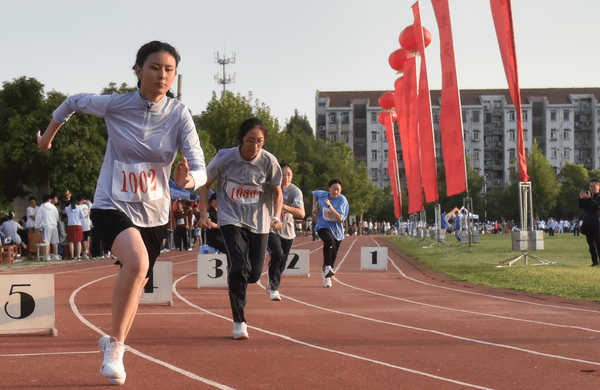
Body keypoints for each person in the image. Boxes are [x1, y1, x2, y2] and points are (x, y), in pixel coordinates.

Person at [37, 41, 207, 385]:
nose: (162, 75)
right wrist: (47, 139)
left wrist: (189, 179)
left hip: (155, 212)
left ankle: (111, 342)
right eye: (155, 67)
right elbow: (72, 102)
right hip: (111, 203)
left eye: (169, 70)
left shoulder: (179, 115)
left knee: (138, 279)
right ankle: (117, 349)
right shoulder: (115, 105)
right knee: (138, 263)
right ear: (138, 70)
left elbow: (200, 164)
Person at [199, 117, 282, 340]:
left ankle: (239, 277)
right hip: (230, 218)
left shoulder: (268, 161)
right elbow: (204, 185)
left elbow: (277, 192)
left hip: (260, 222)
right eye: (250, 140)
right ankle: (239, 321)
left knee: (253, 275)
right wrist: (204, 215)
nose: (255, 146)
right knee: (237, 266)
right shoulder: (225, 158)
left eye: (260, 141)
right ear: (241, 139)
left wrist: (276, 215)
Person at [266, 162, 304, 301]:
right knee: (277, 253)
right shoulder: (269, 188)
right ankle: (274, 288)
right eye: (283, 175)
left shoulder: (295, 191)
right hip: (270, 229)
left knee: (282, 261)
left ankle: (272, 280)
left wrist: (283, 206)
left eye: (289, 175)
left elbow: (301, 213)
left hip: (287, 231)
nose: (286, 178)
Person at [312, 179, 349, 288]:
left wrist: (329, 206)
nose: (336, 192)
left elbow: (340, 219)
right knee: (329, 241)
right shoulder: (323, 195)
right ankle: (327, 267)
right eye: (334, 189)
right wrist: (314, 206)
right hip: (323, 226)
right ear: (329, 188)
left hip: (337, 230)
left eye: (338, 190)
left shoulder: (342, 200)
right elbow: (314, 193)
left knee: (334, 252)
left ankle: (327, 274)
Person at [579, 179, 600, 267]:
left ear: (598, 186)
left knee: (598, 243)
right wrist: (581, 198)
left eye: (593, 186)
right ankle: (595, 262)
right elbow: (581, 206)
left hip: (597, 223)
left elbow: (597, 206)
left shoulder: (598, 197)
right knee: (591, 244)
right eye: (590, 186)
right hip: (587, 223)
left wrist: (589, 198)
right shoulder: (589, 196)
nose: (591, 188)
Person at [35, 194, 61, 260]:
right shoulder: (53, 207)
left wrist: (37, 226)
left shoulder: (42, 207)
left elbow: (38, 218)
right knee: (55, 241)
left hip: (47, 226)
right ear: (49, 200)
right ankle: (56, 255)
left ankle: (47, 256)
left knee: (46, 241)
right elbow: (57, 216)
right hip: (54, 225)